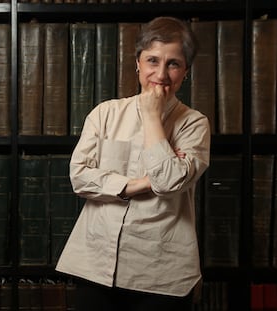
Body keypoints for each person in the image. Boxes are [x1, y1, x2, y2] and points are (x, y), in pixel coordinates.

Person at [56, 16, 211, 311]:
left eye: (173, 63)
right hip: (95, 264)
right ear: (138, 63)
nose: (161, 73)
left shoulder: (195, 124)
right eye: (153, 60)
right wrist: (139, 184)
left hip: (161, 273)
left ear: (186, 72)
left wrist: (152, 116)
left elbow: (167, 183)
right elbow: (79, 177)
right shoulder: (105, 113)